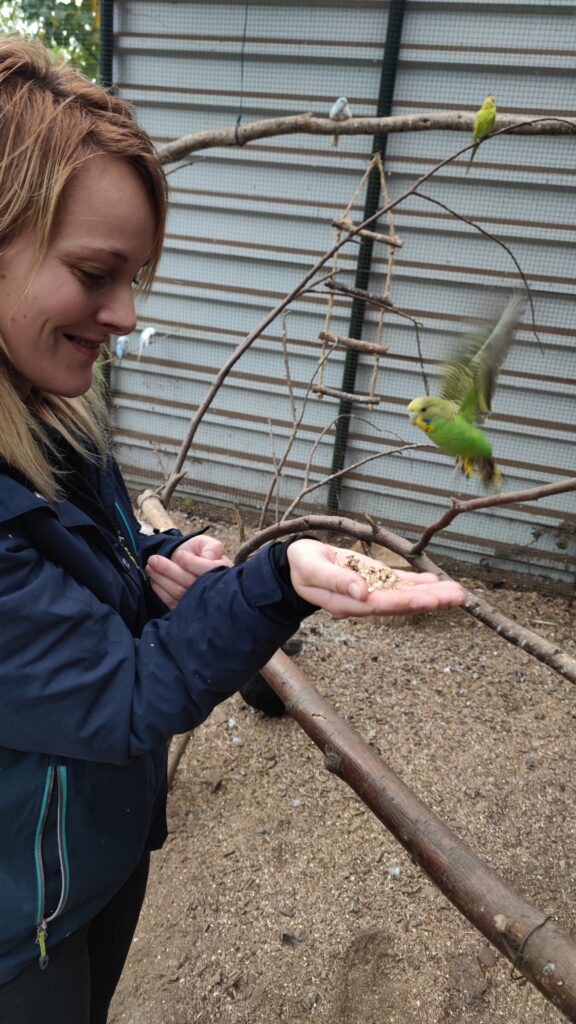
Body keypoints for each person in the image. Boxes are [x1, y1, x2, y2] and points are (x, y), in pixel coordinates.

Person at [0, 36, 465, 1024]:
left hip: (95, 853)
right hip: (17, 915)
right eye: (97, 273)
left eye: (138, 276)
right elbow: (122, 694)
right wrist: (273, 581)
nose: (126, 313)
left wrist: (164, 559)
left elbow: (95, 554)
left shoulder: (48, 408)